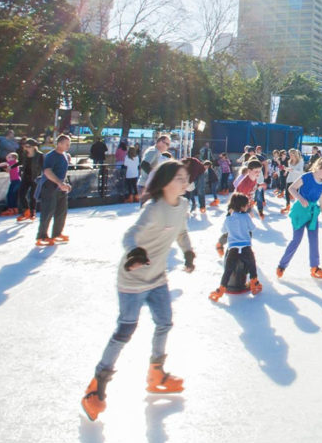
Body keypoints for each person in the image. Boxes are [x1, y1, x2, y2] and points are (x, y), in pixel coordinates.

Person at [80, 160, 195, 422]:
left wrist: (188, 252)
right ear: (165, 183)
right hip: (133, 279)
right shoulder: (153, 209)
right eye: (179, 178)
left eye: (185, 177)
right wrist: (135, 253)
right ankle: (97, 385)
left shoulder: (183, 205)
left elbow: (181, 232)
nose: (184, 182)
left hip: (157, 278)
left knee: (165, 323)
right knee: (125, 330)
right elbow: (130, 235)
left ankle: (156, 374)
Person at [277, 157, 322, 279]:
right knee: (296, 239)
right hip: (300, 211)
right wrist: (300, 198)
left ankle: (315, 267)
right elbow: (291, 188)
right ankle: (282, 265)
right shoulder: (307, 177)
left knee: (314, 240)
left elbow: (321, 200)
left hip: (312, 213)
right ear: (318, 167)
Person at [210, 193, 262, 301]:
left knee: (228, 270)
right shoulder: (246, 216)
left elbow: (223, 230)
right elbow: (253, 228)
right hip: (246, 248)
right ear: (242, 206)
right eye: (247, 205)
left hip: (233, 249)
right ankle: (254, 282)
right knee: (252, 265)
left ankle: (221, 288)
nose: (247, 207)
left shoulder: (228, 219)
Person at [36, 134, 73, 246]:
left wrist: (65, 184)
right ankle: (42, 236)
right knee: (48, 211)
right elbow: (47, 172)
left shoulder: (65, 155)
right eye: (66, 144)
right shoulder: (51, 156)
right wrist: (59, 183)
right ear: (59, 144)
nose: (68, 146)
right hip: (49, 186)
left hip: (60, 188)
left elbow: (62, 172)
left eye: (69, 144)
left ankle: (57, 233)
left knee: (61, 211)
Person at [16, 138, 43, 221]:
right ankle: (26, 210)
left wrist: (42, 176)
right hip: (25, 177)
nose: (27, 148)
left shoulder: (39, 155)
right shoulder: (25, 154)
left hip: (35, 177)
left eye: (29, 146)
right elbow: (20, 162)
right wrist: (11, 167)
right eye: (26, 146)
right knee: (21, 194)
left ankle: (32, 212)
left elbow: (43, 166)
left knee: (32, 196)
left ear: (34, 147)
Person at [138, 136, 171, 202]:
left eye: (168, 145)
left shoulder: (156, 151)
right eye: (167, 144)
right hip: (146, 185)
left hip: (148, 184)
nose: (167, 147)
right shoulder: (154, 151)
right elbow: (144, 165)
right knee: (148, 206)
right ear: (160, 142)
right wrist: (155, 174)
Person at [0, 152, 22, 217]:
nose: (7, 158)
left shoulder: (13, 162)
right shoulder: (13, 163)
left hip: (15, 181)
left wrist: (5, 164)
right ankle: (14, 209)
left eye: (9, 157)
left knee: (10, 195)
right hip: (16, 181)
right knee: (13, 195)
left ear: (14, 158)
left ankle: (11, 209)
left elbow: (0, 164)